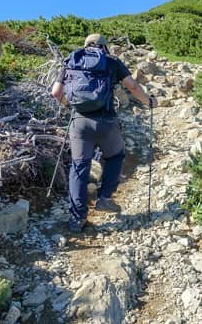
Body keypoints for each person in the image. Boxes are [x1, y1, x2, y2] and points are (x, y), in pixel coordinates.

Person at [51, 34, 157, 233]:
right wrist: (149, 101)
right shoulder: (111, 62)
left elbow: (56, 92)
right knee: (115, 156)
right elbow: (132, 86)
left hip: (80, 122)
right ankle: (104, 198)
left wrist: (69, 106)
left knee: (79, 167)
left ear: (86, 46)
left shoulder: (72, 60)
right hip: (107, 122)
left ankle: (77, 218)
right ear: (104, 47)